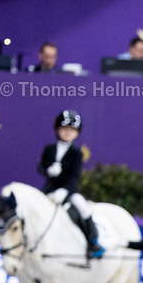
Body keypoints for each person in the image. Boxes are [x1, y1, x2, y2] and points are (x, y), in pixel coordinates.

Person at [38, 110, 104, 260]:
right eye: (64, 128)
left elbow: (75, 177)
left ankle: (93, 241)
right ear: (57, 129)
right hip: (50, 190)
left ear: (77, 133)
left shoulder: (76, 154)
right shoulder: (49, 149)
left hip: (70, 190)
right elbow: (41, 167)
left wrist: (64, 191)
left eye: (72, 129)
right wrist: (48, 170)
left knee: (83, 208)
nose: (68, 132)